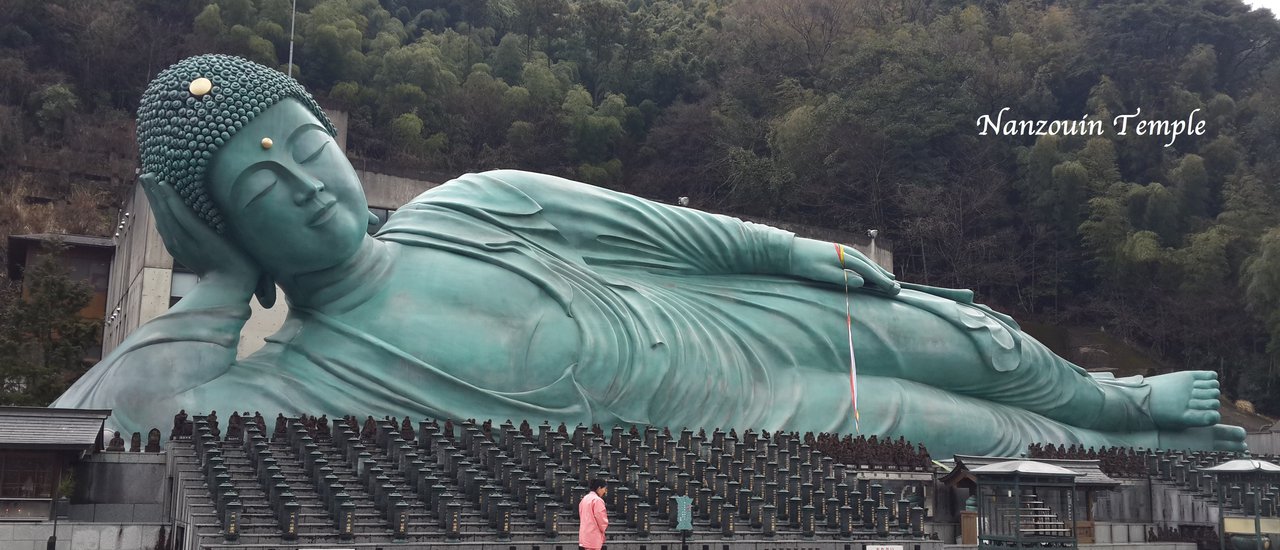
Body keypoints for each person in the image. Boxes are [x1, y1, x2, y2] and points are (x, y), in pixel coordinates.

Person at [51, 55, 1244, 457]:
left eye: (308, 147)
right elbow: (118, 427)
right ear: (221, 222)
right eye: (259, 188)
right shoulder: (286, 380)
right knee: (960, 431)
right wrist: (210, 289)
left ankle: (1110, 393)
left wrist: (796, 252)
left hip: (719, 316)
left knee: (942, 332)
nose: (307, 186)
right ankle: (1104, 437)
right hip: (744, 414)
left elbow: (662, 228)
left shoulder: (473, 203)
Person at [578, 479, 608, 550]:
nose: (605, 491)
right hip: (593, 536)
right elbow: (601, 520)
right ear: (599, 488)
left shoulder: (585, 498)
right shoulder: (597, 500)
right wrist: (603, 529)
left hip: (584, 535)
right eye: (604, 489)